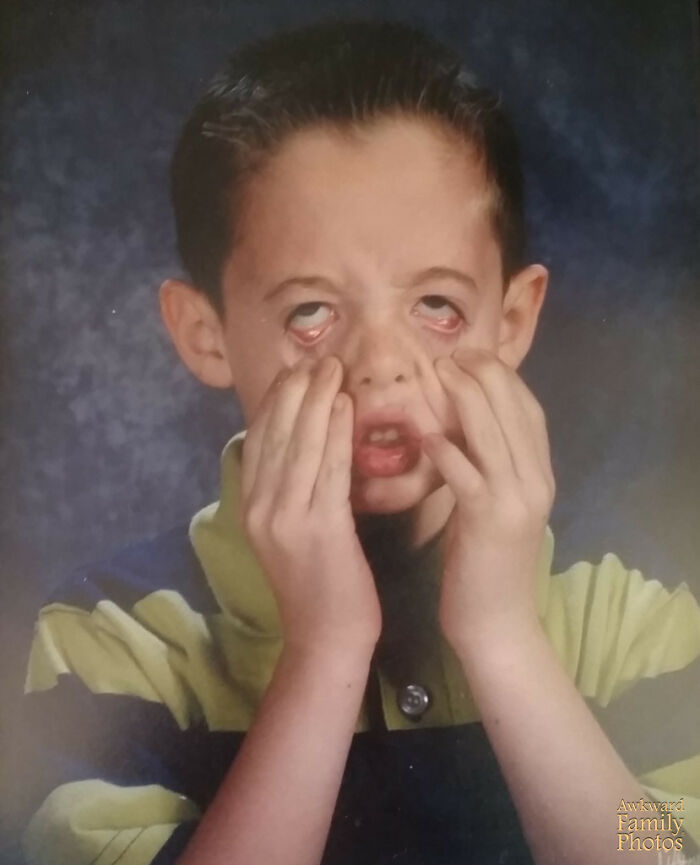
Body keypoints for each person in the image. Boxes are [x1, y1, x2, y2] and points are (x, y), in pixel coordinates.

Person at [16, 18, 700, 865]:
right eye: (310, 311)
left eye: (437, 305)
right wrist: (323, 652)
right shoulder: (116, 638)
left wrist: (505, 638)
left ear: (513, 319)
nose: (380, 365)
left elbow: (660, 851)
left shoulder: (623, 604)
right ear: (206, 334)